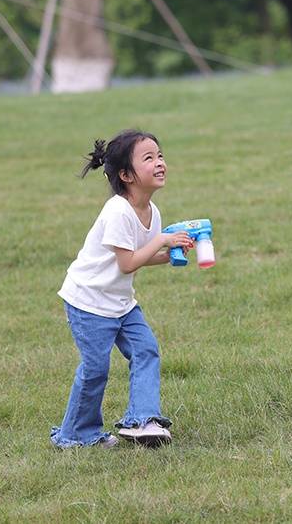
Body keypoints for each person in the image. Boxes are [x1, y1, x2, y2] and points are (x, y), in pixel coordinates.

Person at [50, 129, 194, 449]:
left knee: (146, 350)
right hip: (89, 302)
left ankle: (142, 421)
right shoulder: (117, 211)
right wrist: (161, 242)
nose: (159, 163)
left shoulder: (151, 212)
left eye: (160, 156)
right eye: (148, 158)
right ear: (127, 175)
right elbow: (127, 263)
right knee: (96, 369)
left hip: (121, 303)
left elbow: (141, 257)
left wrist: (172, 254)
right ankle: (75, 434)